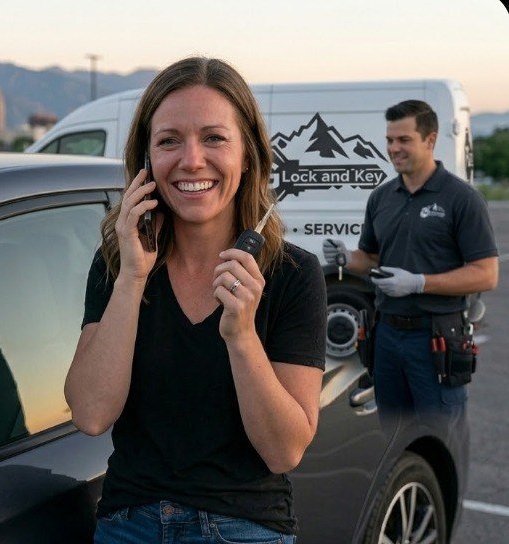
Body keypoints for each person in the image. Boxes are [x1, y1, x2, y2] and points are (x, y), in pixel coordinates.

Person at [64, 57, 327, 544]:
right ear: (145, 161)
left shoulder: (293, 275)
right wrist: (132, 279)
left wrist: (242, 336)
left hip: (245, 528)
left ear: (248, 155)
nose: (191, 160)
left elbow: (284, 451)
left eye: (214, 138)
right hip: (130, 525)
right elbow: (91, 413)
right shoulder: (119, 263)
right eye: (168, 141)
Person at [323, 99, 498, 423]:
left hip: (435, 336)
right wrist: (346, 257)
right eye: (390, 140)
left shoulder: (461, 199)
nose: (393, 148)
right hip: (386, 335)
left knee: (439, 434)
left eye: (404, 140)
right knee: (392, 433)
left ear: (430, 140)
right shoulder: (382, 197)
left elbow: (486, 274)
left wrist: (419, 283)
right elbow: (371, 258)